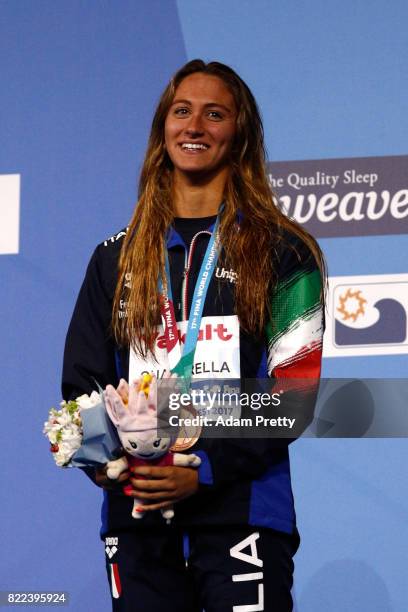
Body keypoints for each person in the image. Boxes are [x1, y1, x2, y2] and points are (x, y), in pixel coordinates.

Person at [62, 59, 326, 612]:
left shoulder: (284, 253)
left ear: (240, 134)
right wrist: (116, 465)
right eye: (182, 112)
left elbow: (294, 395)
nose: (195, 126)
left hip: (243, 514)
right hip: (138, 518)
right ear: (164, 128)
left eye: (215, 114)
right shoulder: (114, 258)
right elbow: (83, 385)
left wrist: (202, 469)